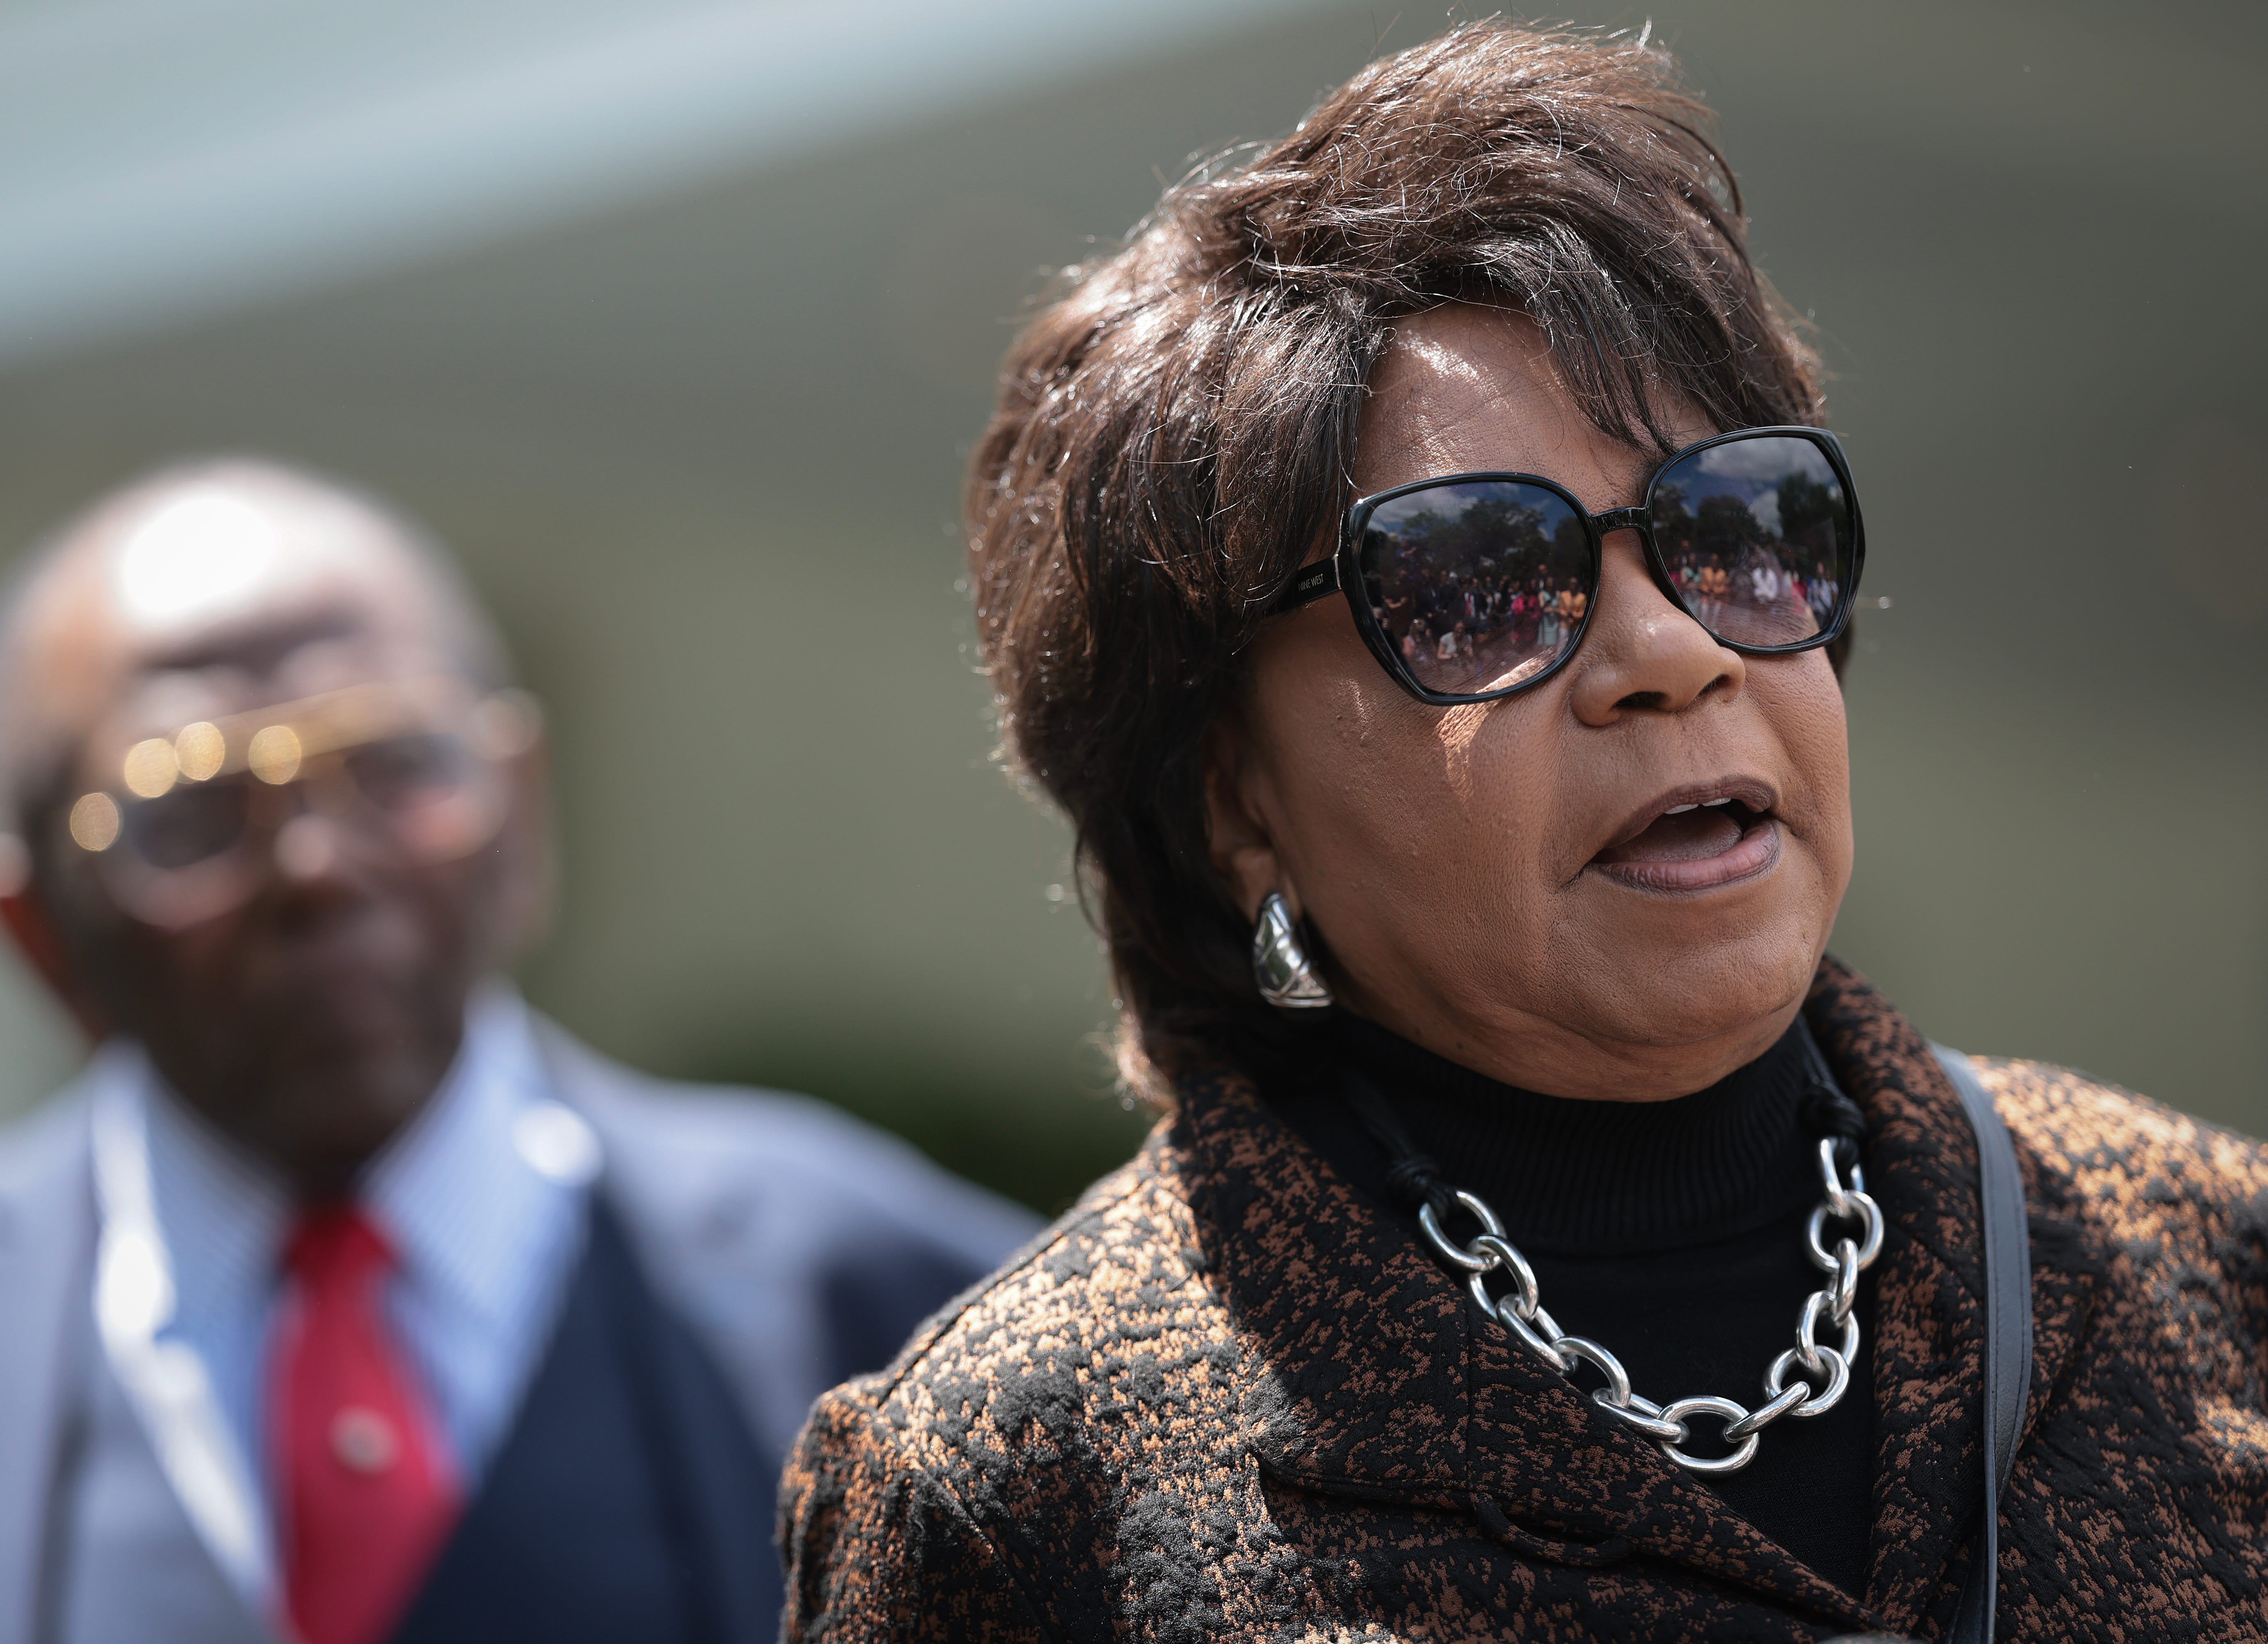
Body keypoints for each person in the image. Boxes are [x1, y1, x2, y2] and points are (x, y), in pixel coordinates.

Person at [780, 24, 2268, 1642]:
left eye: (1736, 527)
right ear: (1231, 794)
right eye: (1478, 583)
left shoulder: (2207, 1252)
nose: (1674, 652)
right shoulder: (1015, 1476)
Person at [0, 458, 1037, 1644]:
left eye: (393, 764)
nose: (317, 865)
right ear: (40, 940)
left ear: (521, 816)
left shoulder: (891, 1307)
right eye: (190, 811)